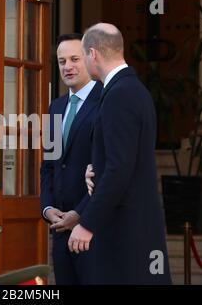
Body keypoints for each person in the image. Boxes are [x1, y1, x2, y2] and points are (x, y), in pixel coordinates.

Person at [68, 23, 172, 284]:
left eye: (81, 57)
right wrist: (97, 171)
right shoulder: (132, 89)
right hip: (133, 225)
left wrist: (87, 223)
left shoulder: (120, 94)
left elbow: (120, 168)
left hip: (126, 230)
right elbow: (124, 159)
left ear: (93, 54)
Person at [40, 33, 103, 284]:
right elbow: (49, 166)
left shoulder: (106, 101)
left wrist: (80, 213)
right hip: (60, 231)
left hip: (94, 229)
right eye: (62, 61)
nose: (68, 66)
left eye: (75, 59)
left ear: (89, 57)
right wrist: (47, 209)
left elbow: (110, 169)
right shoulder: (55, 107)